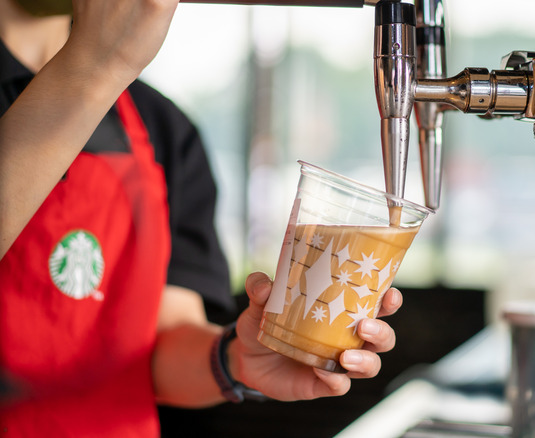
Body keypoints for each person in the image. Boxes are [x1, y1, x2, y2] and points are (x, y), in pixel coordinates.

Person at [0, 0, 403, 436]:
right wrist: (95, 65)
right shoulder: (103, 71)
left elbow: (158, 348)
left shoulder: (162, 127)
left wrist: (235, 358)